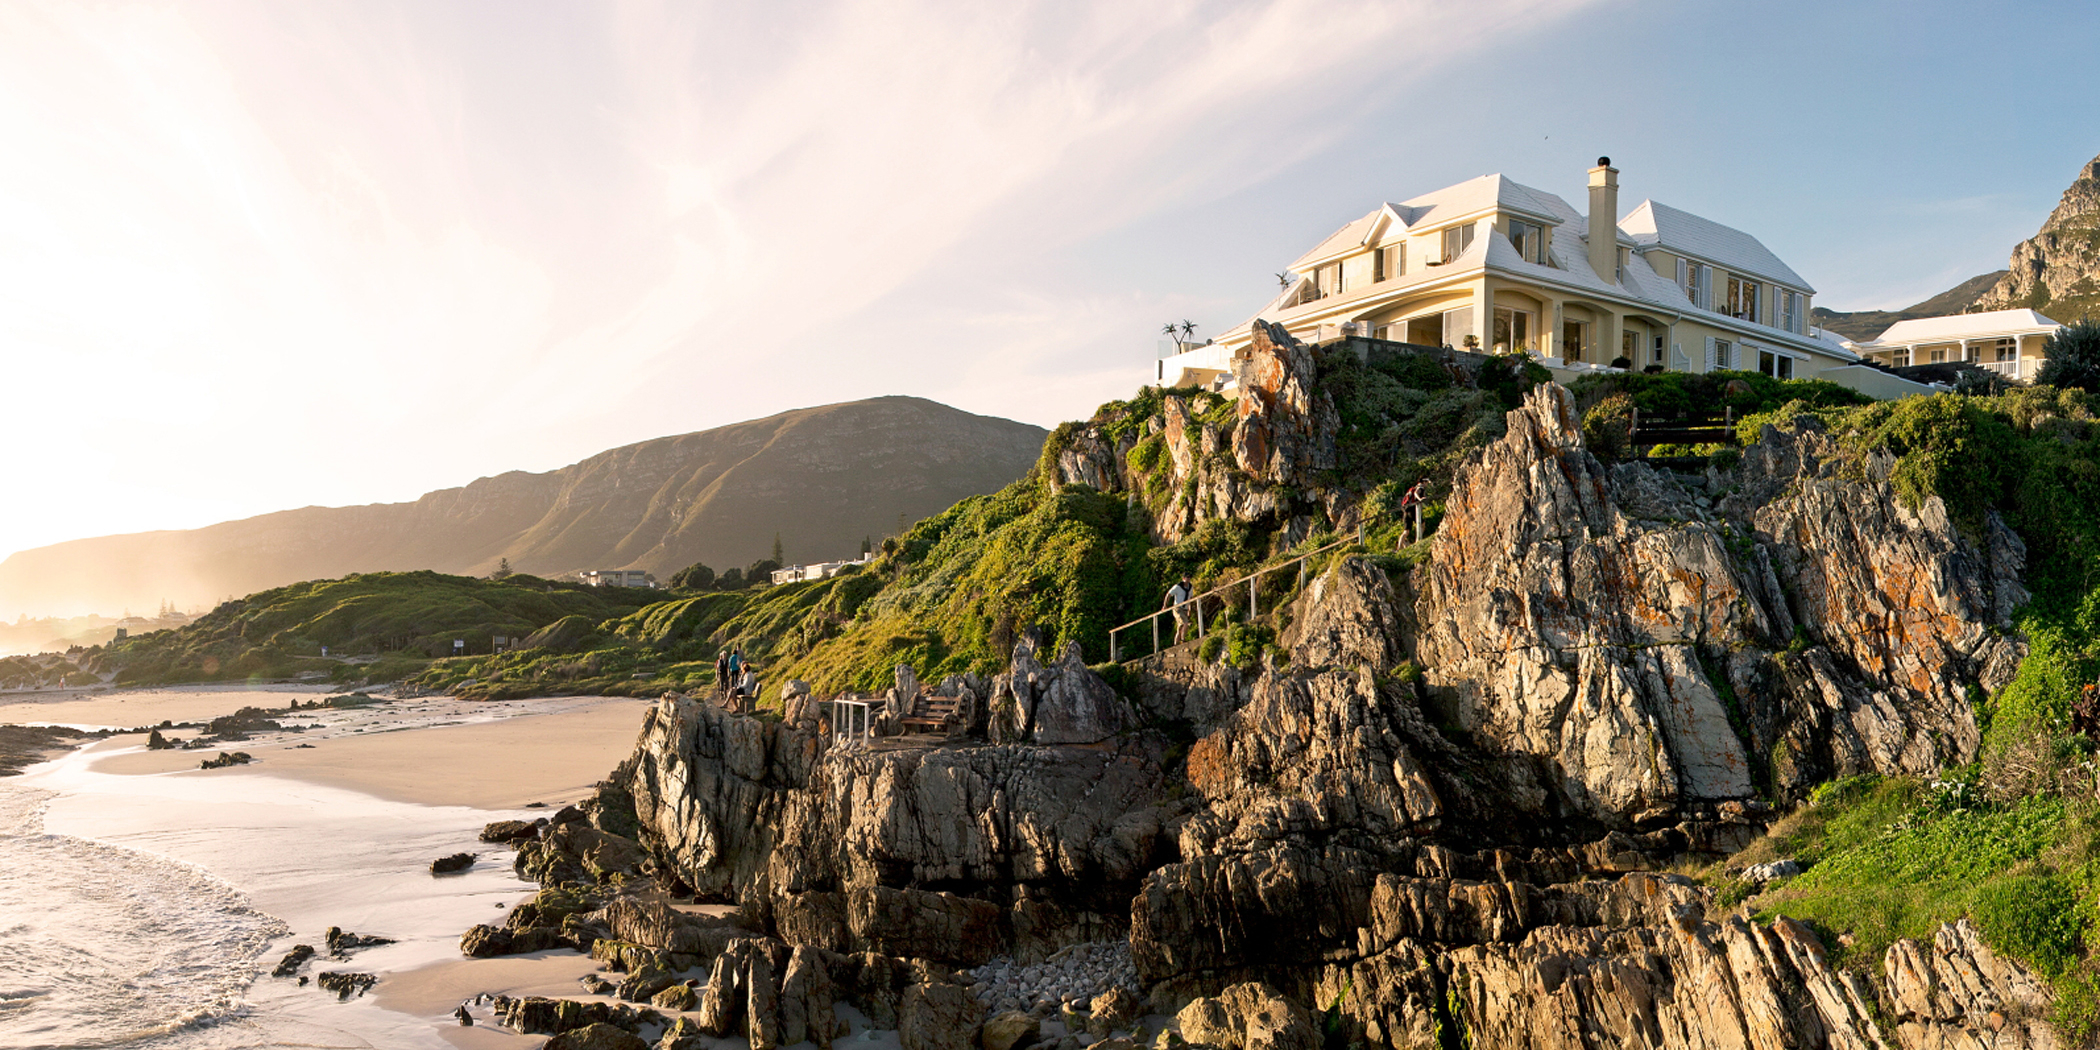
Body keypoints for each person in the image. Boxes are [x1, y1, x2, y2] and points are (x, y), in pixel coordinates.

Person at [1164, 576, 1193, 644]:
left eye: (1189, 577)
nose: (1188, 579)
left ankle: (1176, 643)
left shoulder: (1190, 587)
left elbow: (1190, 598)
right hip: (1178, 608)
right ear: (1183, 578)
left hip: (1185, 609)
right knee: (1185, 623)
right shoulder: (1178, 586)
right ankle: (1183, 640)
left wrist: (1189, 609)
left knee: (1180, 627)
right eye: (1187, 577)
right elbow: (1168, 594)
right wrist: (1165, 605)